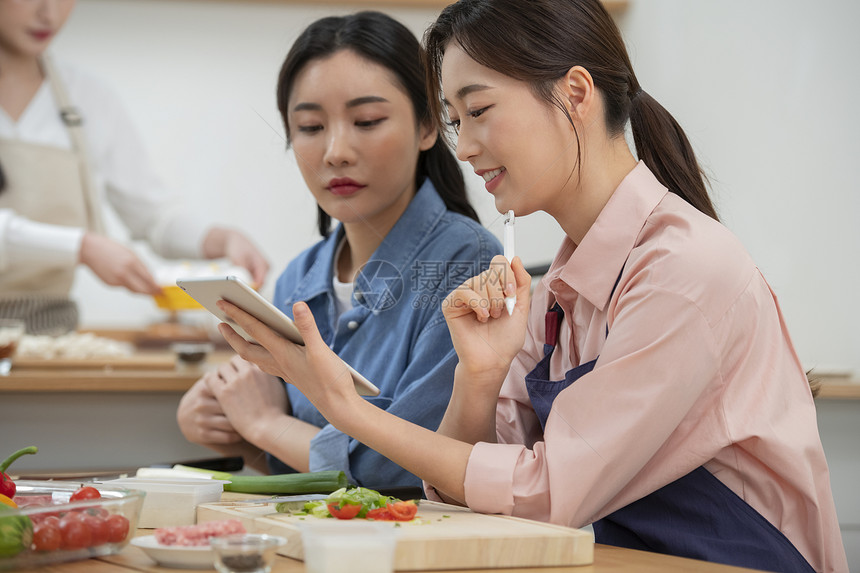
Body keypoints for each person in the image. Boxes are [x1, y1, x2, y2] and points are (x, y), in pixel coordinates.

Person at [210, 0, 848, 571]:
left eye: (480, 110)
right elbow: (466, 485)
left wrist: (345, 410)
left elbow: (545, 493)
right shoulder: (551, 293)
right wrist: (479, 379)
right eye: (457, 120)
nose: (464, 147)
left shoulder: (683, 271)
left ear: (575, 92)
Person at [176, 11, 502, 489]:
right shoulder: (298, 279)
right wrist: (225, 423)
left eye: (367, 120)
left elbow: (406, 466)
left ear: (429, 126)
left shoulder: (469, 264)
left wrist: (266, 426)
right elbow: (301, 471)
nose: (336, 151)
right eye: (310, 127)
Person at [0, 0, 268, 333]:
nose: (48, 12)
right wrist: (82, 246)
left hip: (48, 334)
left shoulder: (87, 96)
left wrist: (221, 239)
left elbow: (153, 217)